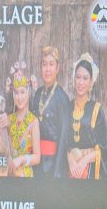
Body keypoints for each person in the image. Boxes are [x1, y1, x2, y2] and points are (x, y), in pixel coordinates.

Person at [66, 53, 107, 180]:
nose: (81, 82)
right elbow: (61, 142)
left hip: (89, 171)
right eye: (78, 77)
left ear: (91, 82)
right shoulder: (66, 108)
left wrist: (84, 160)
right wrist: (70, 159)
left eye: (85, 78)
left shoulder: (97, 109)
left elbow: (104, 148)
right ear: (74, 79)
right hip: (69, 169)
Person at [29, 46, 70, 178]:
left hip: (52, 165)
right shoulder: (38, 94)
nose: (47, 69)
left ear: (57, 68)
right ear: (40, 67)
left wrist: (57, 173)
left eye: (51, 64)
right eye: (44, 64)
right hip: (35, 162)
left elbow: (63, 139)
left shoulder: (62, 99)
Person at [7, 70, 40, 177]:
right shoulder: (9, 119)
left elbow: (37, 157)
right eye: (16, 93)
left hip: (25, 175)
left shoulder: (33, 121)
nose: (19, 97)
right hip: (9, 173)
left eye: (22, 92)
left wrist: (21, 159)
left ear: (28, 93)